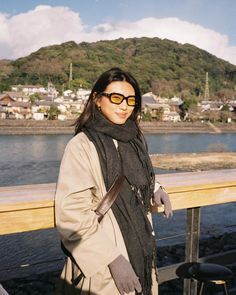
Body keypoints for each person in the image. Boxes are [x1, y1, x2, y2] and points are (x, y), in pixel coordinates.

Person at [55, 67, 172, 295]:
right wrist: (112, 259)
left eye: (130, 99)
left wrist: (156, 188)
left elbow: (135, 178)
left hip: (141, 249)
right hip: (107, 261)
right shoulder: (82, 145)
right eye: (116, 97)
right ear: (97, 100)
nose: (124, 105)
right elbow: (72, 213)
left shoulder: (134, 139)